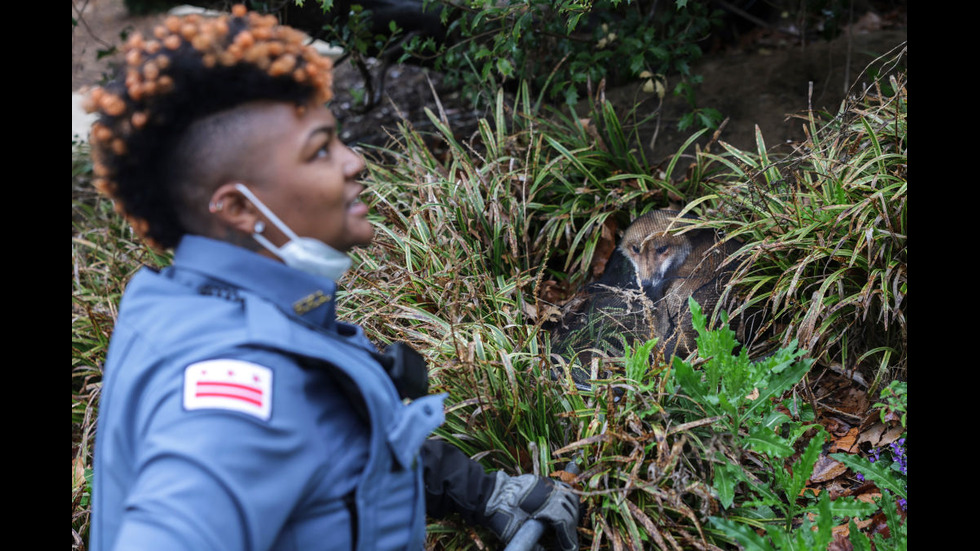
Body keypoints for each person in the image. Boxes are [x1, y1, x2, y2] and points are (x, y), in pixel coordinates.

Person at [85, 5, 579, 551]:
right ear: (239, 209)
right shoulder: (237, 398)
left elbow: (324, 440)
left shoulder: (192, 305)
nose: (353, 162)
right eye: (320, 150)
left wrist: (484, 494)